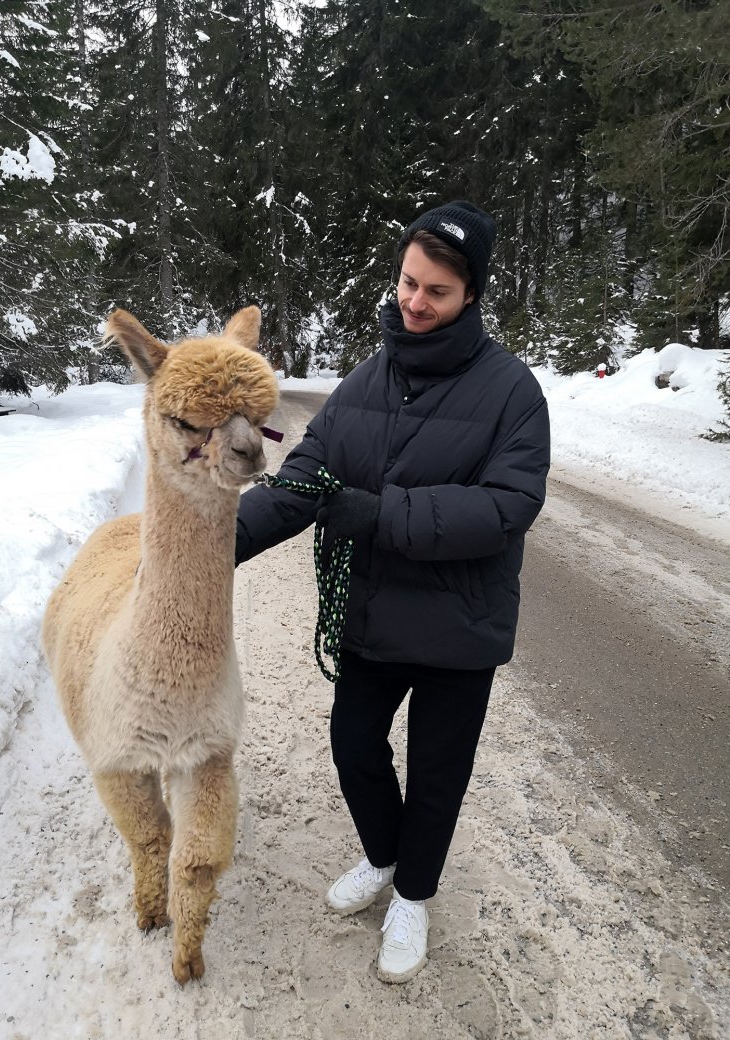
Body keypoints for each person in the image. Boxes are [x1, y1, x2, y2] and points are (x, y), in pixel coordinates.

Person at [235, 200, 550, 984]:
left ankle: (414, 893)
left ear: (470, 295)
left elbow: (510, 507)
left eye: (436, 291)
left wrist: (384, 514)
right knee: (354, 748)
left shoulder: (513, 393)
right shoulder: (365, 380)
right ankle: (383, 855)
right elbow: (305, 477)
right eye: (409, 282)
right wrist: (209, 542)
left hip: (459, 624)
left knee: (438, 771)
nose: (414, 302)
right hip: (374, 614)